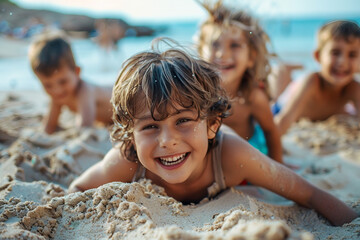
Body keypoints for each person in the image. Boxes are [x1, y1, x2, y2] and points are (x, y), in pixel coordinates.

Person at [68, 38, 357, 226]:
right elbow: (77, 191)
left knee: (257, 176)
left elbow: (309, 194)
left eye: (182, 121)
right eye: (150, 126)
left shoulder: (233, 155)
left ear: (211, 124)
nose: (167, 141)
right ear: (131, 134)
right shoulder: (127, 160)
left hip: (233, 157)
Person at [196, 1, 283, 163]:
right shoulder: (197, 94)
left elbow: (271, 131)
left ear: (251, 57)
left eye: (235, 45)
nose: (222, 54)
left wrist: (278, 164)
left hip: (250, 150)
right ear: (201, 51)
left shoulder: (252, 97)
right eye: (215, 44)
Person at [275, 20, 360, 135]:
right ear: (318, 56)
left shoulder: (353, 87)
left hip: (324, 116)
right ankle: (284, 72)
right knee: (274, 98)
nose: (342, 62)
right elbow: (281, 122)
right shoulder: (312, 82)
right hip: (281, 109)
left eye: (352, 55)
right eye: (335, 53)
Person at [28, 32, 113, 134]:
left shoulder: (85, 90)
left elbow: (85, 127)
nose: (56, 90)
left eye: (63, 82)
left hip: (125, 107)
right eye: (47, 85)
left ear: (77, 72)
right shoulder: (57, 96)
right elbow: (49, 127)